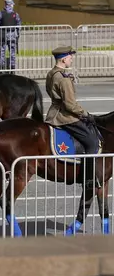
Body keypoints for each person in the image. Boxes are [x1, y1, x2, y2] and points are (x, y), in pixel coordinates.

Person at [45, 46, 101, 189]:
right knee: (92, 141)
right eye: (70, 57)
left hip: (53, 112)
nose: (72, 59)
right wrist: (86, 114)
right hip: (64, 116)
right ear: (64, 59)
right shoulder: (63, 79)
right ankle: (88, 179)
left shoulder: (52, 73)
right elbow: (70, 105)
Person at [0, 0, 21, 73]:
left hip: (3, 35)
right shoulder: (15, 14)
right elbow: (19, 26)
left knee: (2, 52)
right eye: (12, 5)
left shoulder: (1, 13)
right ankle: (12, 68)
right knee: (12, 52)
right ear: (10, 5)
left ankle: (2, 68)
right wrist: (17, 35)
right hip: (12, 36)